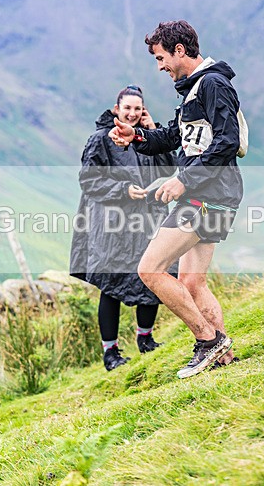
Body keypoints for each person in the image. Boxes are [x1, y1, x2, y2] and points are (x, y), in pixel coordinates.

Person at [109, 20, 243, 378]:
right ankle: (224, 357)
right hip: (214, 194)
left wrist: (184, 180)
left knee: (149, 269)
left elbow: (226, 142)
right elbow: (174, 137)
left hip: (207, 195)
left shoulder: (212, 85)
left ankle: (207, 340)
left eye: (160, 57)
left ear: (179, 51)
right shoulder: (195, 89)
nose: (160, 66)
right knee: (192, 282)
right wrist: (137, 136)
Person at [69, 85, 176, 371]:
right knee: (112, 285)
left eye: (137, 109)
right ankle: (110, 352)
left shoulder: (145, 137)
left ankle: (146, 339)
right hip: (112, 224)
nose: (132, 113)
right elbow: (89, 181)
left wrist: (153, 132)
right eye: (127, 108)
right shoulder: (100, 140)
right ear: (117, 109)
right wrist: (123, 189)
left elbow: (167, 169)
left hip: (147, 219)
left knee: (154, 274)